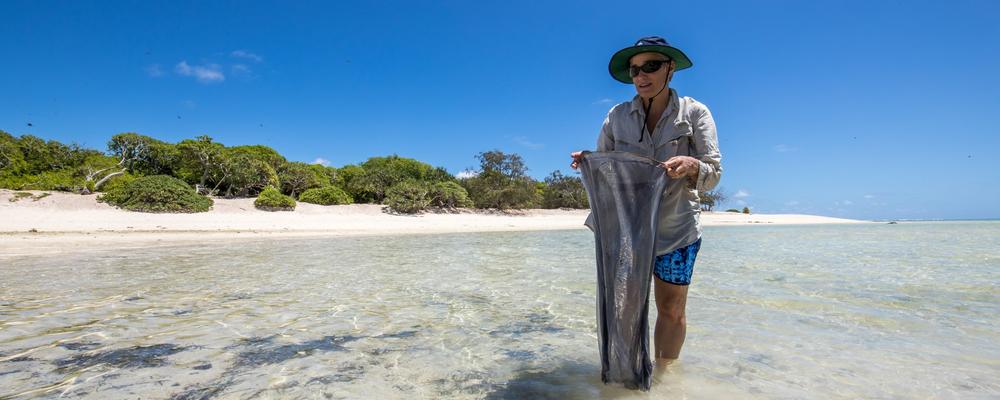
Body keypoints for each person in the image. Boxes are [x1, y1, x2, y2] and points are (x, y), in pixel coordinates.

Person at [571, 36, 722, 367]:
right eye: (635, 69)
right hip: (627, 232)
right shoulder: (616, 116)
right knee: (625, 305)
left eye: (651, 66)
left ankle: (665, 378)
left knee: (671, 308)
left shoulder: (695, 113)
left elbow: (714, 171)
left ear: (670, 69)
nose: (641, 76)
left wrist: (692, 166)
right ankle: (626, 374)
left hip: (676, 229)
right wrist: (588, 161)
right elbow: (606, 167)